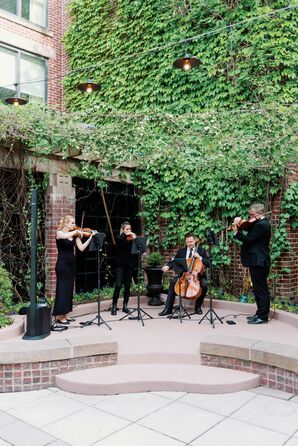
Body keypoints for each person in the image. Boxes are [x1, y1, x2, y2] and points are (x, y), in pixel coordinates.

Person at [53, 215, 97, 325]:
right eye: (72, 223)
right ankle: (59, 316)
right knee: (62, 289)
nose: (74, 225)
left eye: (74, 223)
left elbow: (81, 248)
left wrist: (90, 237)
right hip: (62, 265)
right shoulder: (60, 233)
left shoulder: (75, 235)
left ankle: (65, 315)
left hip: (71, 265)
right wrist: (77, 231)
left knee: (68, 291)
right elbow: (64, 236)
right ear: (66, 223)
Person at [232, 203, 271, 324]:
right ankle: (259, 313)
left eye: (251, 215)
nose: (250, 218)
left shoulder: (262, 225)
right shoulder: (259, 223)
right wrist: (239, 222)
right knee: (258, 288)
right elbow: (249, 227)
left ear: (257, 214)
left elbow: (248, 240)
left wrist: (236, 232)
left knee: (261, 289)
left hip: (259, 261)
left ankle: (263, 316)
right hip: (257, 260)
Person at [159, 232, 209, 316]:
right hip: (184, 275)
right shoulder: (181, 251)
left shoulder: (201, 250)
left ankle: (198, 307)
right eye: (188, 242)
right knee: (172, 282)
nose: (189, 244)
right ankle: (168, 308)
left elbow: (208, 263)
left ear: (195, 241)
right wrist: (168, 266)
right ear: (186, 241)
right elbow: (175, 261)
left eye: (191, 242)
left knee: (204, 285)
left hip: (197, 276)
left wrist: (200, 257)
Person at [111, 221, 137, 316]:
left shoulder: (131, 239)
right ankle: (114, 305)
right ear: (122, 229)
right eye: (127, 229)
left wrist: (135, 238)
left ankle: (125, 306)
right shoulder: (119, 237)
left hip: (129, 265)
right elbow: (120, 239)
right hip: (120, 265)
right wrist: (125, 234)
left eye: (130, 229)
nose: (129, 231)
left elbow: (137, 247)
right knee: (118, 285)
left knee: (127, 286)